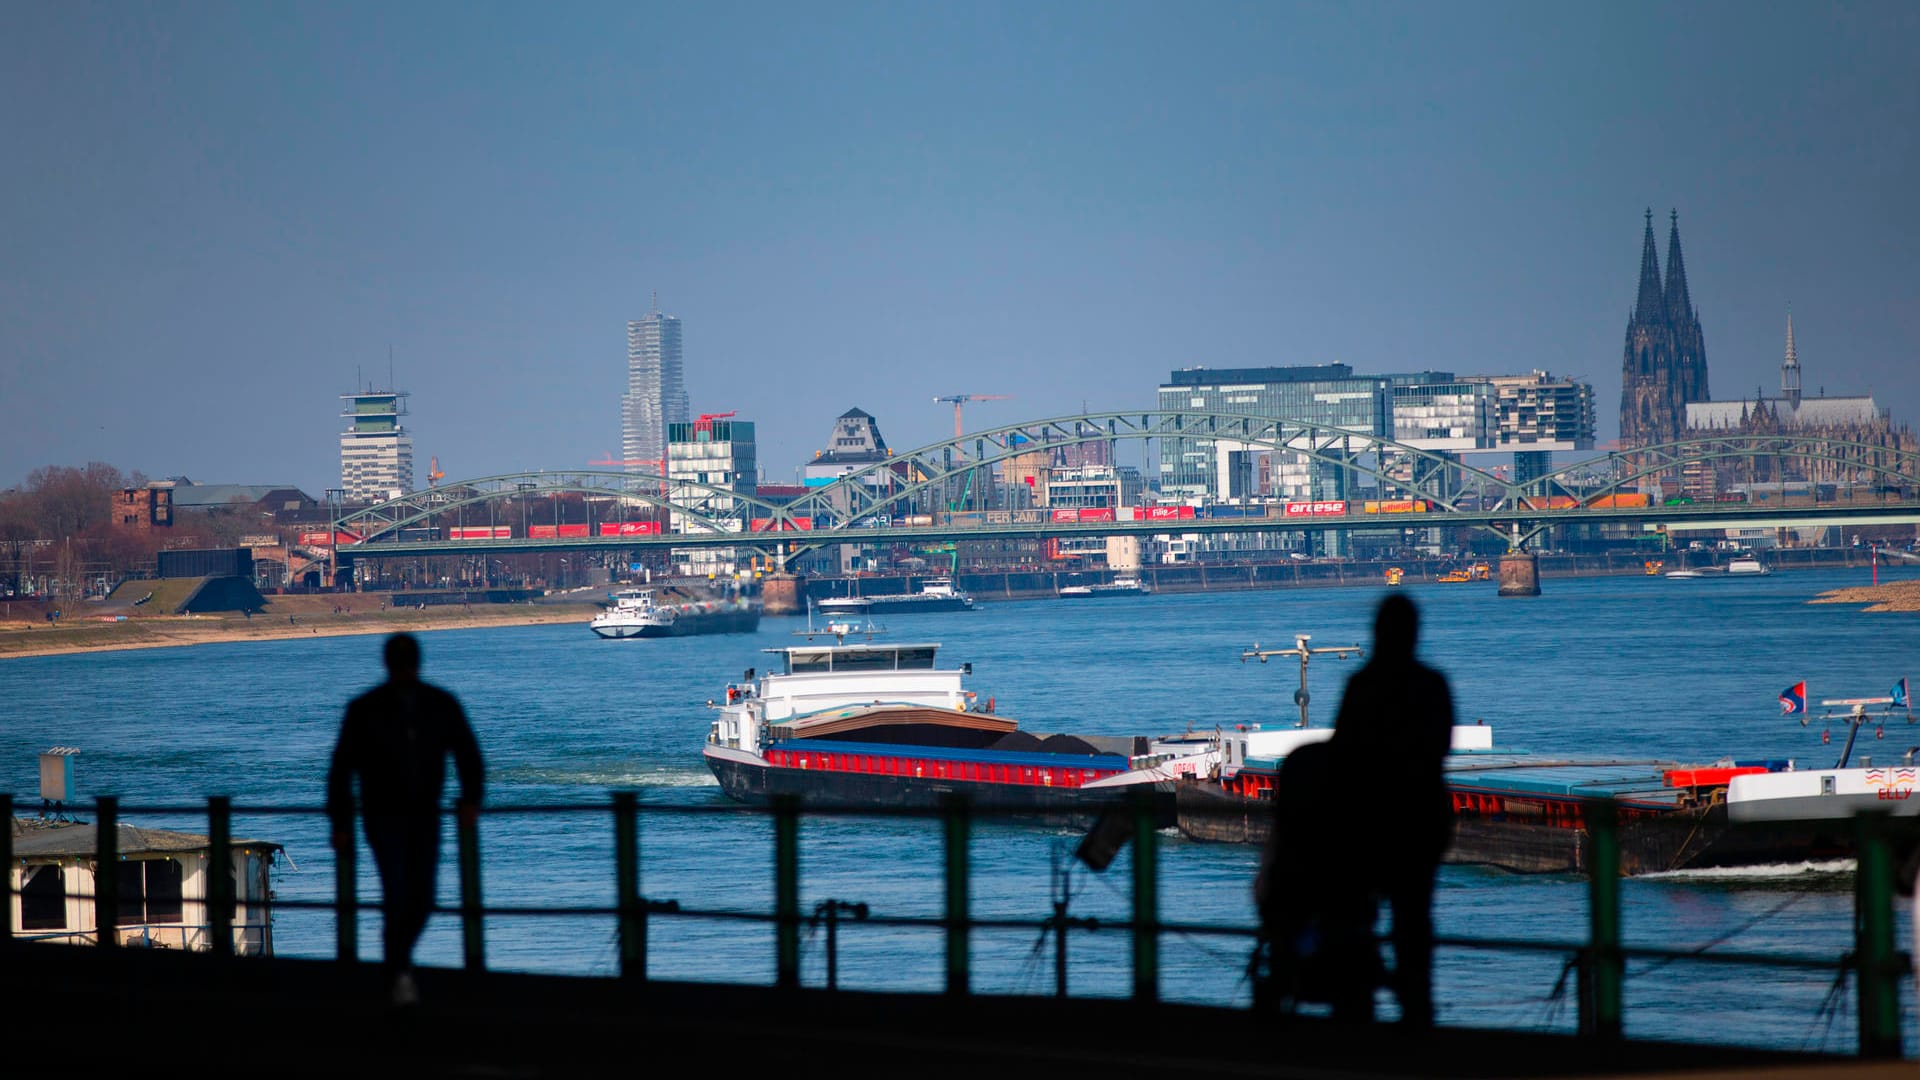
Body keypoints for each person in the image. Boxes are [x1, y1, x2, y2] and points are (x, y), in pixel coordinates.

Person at [327, 633, 485, 1006]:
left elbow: (339, 772)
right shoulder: (429, 704)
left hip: (416, 813)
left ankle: (395, 957)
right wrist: (470, 801)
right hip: (387, 817)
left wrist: (340, 821)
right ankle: (398, 972)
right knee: (405, 891)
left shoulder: (372, 707)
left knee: (420, 897)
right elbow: (469, 756)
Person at [1328, 594, 1455, 1026]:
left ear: (1376, 632)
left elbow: (1342, 753)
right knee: (1414, 918)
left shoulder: (1361, 685)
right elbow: (1440, 748)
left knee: (1356, 916)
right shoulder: (1433, 684)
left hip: (1368, 822)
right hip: (1419, 821)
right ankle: (1417, 1007)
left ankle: (1356, 1007)